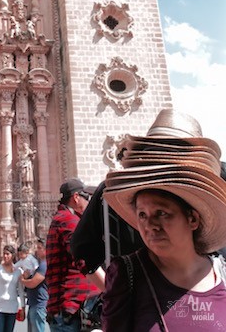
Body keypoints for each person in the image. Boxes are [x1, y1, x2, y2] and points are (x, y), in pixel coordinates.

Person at [102, 112, 226, 331]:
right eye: (142, 214)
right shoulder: (127, 276)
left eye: (162, 213)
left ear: (193, 218)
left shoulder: (222, 275)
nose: (150, 225)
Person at [46, 179, 103, 332]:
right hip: (71, 309)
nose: (90, 203)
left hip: (72, 309)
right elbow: (84, 258)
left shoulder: (66, 218)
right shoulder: (68, 220)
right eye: (88, 198)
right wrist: (108, 288)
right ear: (76, 197)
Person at [0, 245, 25, 332]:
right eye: (4, 254)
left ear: (12, 255)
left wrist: (23, 308)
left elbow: (21, 291)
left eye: (7, 254)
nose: (5, 256)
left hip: (12, 307)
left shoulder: (18, 271)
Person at [21, 238, 48, 332]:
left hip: (38, 305)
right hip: (34, 304)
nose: (37, 250)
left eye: (39, 248)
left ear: (46, 249)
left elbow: (33, 283)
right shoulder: (41, 265)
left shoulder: (44, 266)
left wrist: (22, 280)